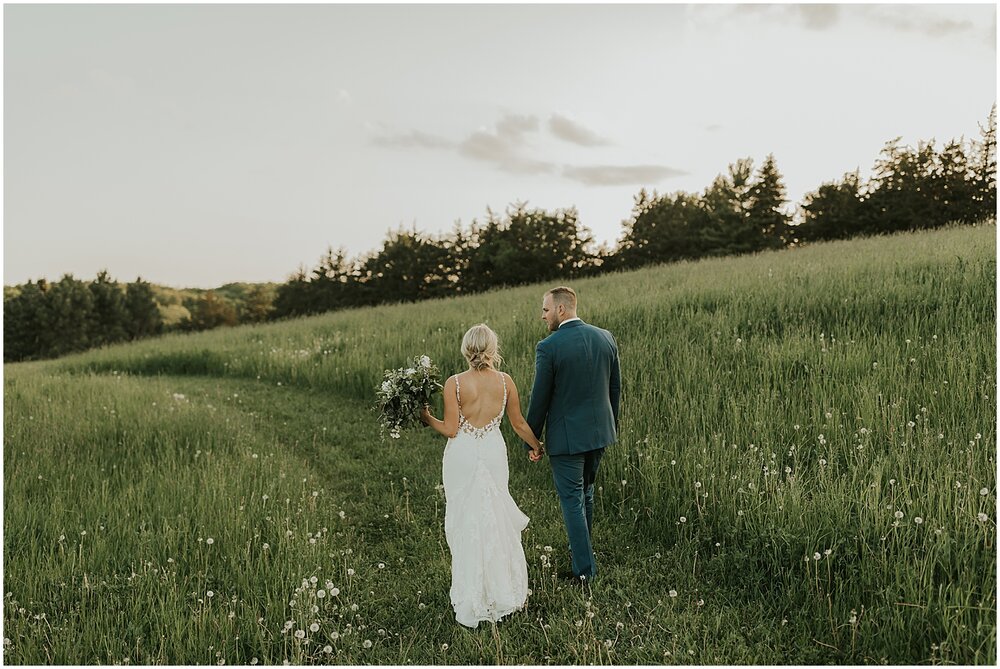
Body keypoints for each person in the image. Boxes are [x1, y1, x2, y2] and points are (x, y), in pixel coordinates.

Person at [420, 324, 544, 628]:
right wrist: (536, 445)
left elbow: (450, 429)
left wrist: (426, 418)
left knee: (465, 519)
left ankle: (473, 590)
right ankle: (506, 588)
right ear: (492, 349)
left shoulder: (455, 383)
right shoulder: (505, 382)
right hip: (491, 452)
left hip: (462, 454)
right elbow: (517, 424)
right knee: (496, 515)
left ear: (466, 350)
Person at [524, 286, 621, 584]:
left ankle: (584, 572)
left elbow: (539, 399)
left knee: (572, 501)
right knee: (586, 494)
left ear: (561, 310)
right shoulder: (606, 337)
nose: (543, 316)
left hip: (567, 439)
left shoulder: (549, 347)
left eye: (545, 309)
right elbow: (614, 388)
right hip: (601, 433)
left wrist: (531, 439)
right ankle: (585, 555)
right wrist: (610, 425)